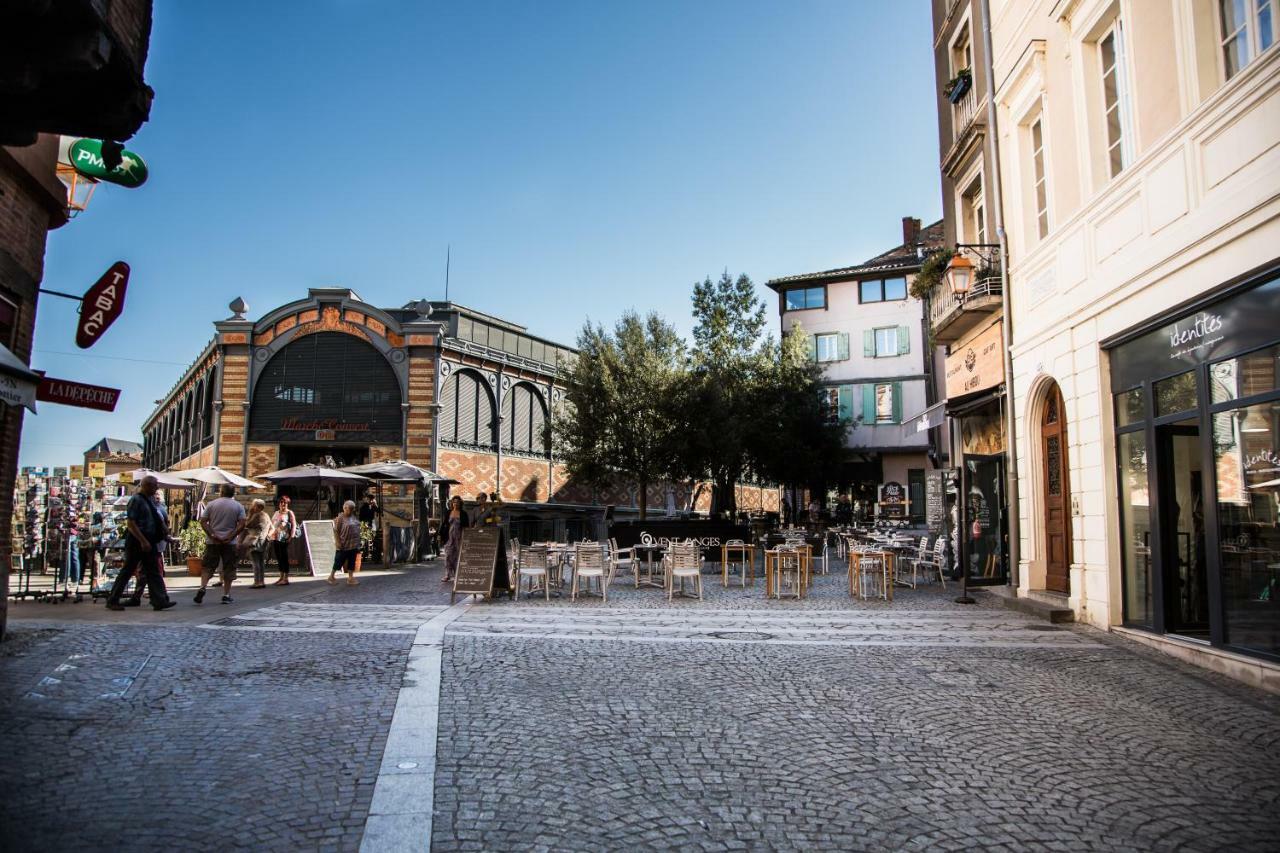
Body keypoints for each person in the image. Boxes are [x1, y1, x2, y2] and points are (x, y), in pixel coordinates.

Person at [104, 475, 176, 611]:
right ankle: (112, 599)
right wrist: (143, 541)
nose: (157, 488)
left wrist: (164, 534)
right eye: (155, 485)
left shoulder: (150, 500)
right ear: (147, 485)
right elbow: (131, 523)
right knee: (128, 570)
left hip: (150, 541)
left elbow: (155, 519)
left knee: (154, 571)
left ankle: (159, 600)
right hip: (137, 542)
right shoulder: (136, 500)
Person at [196, 484, 246, 605]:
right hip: (230, 543)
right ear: (233, 493)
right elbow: (242, 524)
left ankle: (203, 587)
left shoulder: (212, 504)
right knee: (229, 568)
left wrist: (212, 535)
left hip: (213, 542)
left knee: (208, 566)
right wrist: (231, 536)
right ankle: (226, 595)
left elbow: (203, 522)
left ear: (221, 492)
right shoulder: (238, 506)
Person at [240, 499, 274, 589]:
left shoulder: (257, 515)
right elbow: (272, 528)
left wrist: (250, 514)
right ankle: (261, 581)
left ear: (257, 507)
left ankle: (257, 582)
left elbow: (247, 524)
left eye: (253, 505)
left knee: (255, 561)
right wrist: (268, 535)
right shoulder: (266, 515)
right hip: (264, 541)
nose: (252, 507)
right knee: (261, 562)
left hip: (255, 540)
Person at [329, 500, 361, 586]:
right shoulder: (341, 518)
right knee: (339, 561)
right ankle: (331, 576)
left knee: (352, 561)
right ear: (344, 508)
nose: (349, 510)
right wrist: (338, 542)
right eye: (348, 508)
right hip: (343, 544)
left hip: (353, 544)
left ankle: (350, 578)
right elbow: (336, 531)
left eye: (351, 508)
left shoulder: (354, 517)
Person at [270, 495, 297, 585]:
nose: (283, 504)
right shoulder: (276, 513)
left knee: (284, 558)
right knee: (279, 558)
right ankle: (281, 577)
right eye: (281, 502)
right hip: (276, 537)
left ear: (288, 504)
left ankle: (286, 578)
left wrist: (291, 537)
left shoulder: (289, 513)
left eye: (285, 502)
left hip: (284, 539)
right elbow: (272, 524)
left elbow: (293, 526)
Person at [442, 495, 469, 582]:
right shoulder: (448, 512)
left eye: (457, 502)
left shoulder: (463, 513)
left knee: (458, 556)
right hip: (449, 536)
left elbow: (466, 526)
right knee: (448, 555)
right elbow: (444, 524)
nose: (455, 504)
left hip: (459, 536)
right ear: (452, 503)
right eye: (454, 502)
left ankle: (457, 574)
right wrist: (439, 534)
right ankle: (447, 574)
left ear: (460, 503)